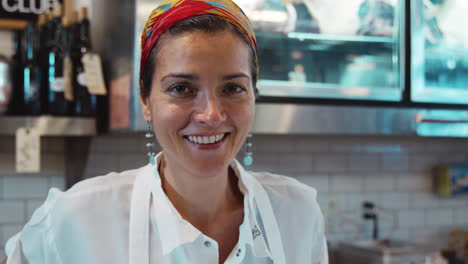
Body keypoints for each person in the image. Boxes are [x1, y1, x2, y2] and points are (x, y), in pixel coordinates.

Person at [2, 0, 327, 263]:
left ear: (254, 95)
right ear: (146, 101)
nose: (211, 114)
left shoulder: (298, 212)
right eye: (182, 88)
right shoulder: (77, 217)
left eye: (233, 88)